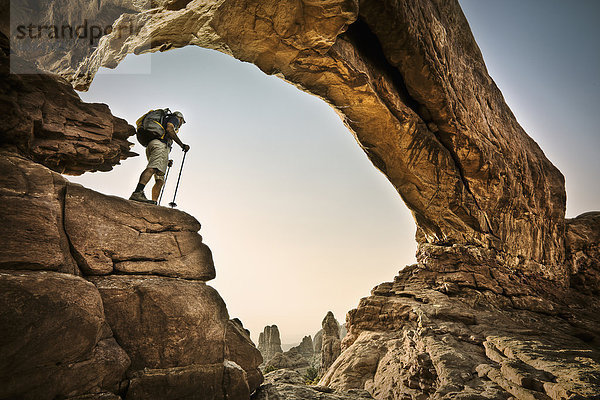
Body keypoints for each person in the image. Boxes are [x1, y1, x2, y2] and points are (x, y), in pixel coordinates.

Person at [129, 111, 190, 204]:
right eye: (182, 121)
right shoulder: (175, 119)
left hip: (153, 145)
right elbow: (170, 129)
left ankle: (154, 202)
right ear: (180, 118)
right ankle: (137, 193)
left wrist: (166, 160)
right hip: (160, 145)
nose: (181, 124)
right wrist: (182, 145)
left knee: (160, 179)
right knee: (152, 168)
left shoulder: (163, 120)